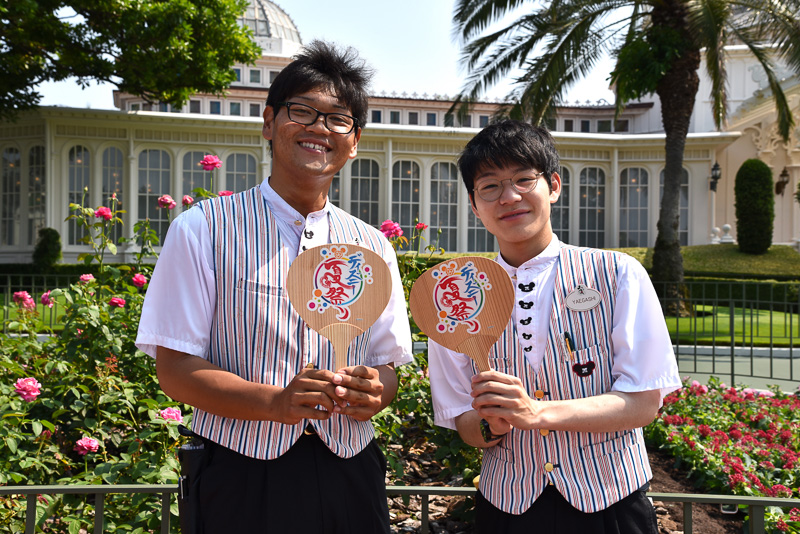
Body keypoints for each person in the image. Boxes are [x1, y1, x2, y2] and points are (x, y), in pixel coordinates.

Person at [136, 40, 412, 533]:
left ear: (354, 141)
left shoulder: (373, 246)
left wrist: (376, 390)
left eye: (337, 119)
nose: (318, 128)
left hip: (350, 467)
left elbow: (388, 366)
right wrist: (275, 403)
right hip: (241, 472)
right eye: (301, 111)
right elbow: (175, 369)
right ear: (268, 122)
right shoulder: (203, 228)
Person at [426, 120, 682, 533]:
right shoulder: (456, 295)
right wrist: (490, 422)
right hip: (507, 506)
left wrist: (537, 412)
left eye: (524, 180)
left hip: (610, 502)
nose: (509, 197)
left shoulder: (616, 274)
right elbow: (463, 423)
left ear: (554, 185)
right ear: (474, 205)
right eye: (489, 186)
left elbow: (643, 403)